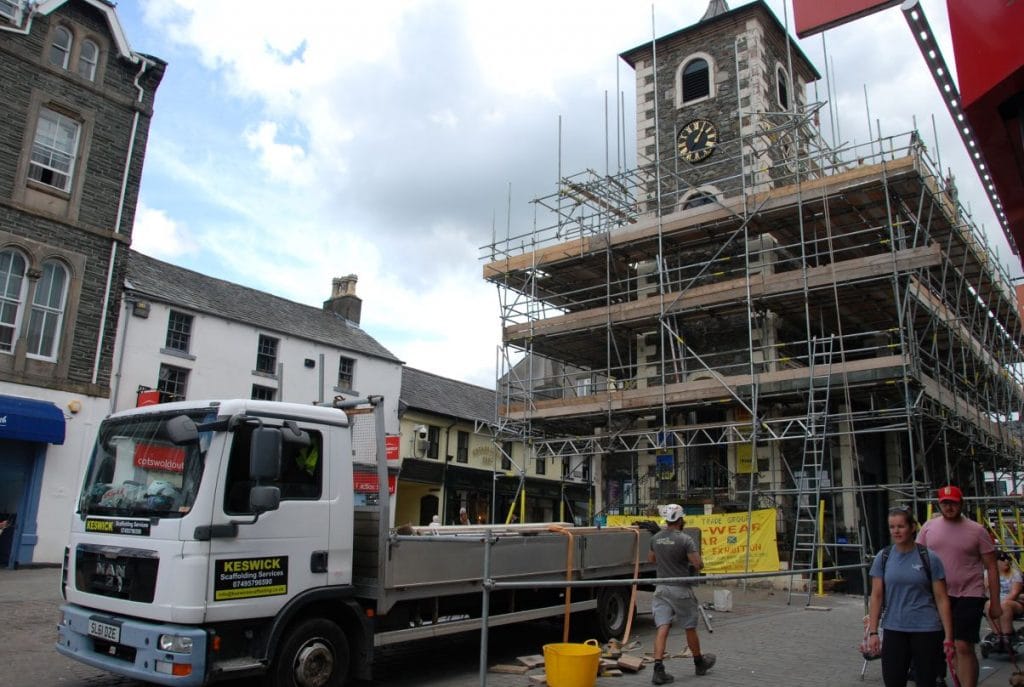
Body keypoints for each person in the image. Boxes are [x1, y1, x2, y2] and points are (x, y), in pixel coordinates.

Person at [917, 485, 1000, 687]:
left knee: (964, 645)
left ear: (961, 503)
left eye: (953, 503)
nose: (949, 507)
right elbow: (918, 560)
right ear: (939, 504)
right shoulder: (929, 527)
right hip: (939, 594)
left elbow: (992, 566)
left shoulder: (977, 530)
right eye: (945, 503)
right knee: (951, 645)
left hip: (969, 594)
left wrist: (996, 603)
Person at [866, 506, 954, 687]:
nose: (896, 531)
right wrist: (873, 632)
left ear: (912, 527)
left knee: (926, 681)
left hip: (926, 629)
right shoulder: (883, 557)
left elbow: (941, 598)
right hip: (894, 628)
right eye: (892, 527)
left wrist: (949, 636)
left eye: (901, 526)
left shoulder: (929, 558)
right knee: (893, 680)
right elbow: (876, 596)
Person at [648, 504, 715, 684]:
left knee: (662, 627)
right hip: (680, 589)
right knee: (689, 626)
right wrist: (690, 562)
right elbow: (698, 564)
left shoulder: (656, 538)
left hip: (661, 589)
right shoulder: (685, 539)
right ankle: (699, 662)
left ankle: (658, 668)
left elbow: (651, 559)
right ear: (679, 520)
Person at [983, 550, 1023, 642]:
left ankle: (1007, 635)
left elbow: (1014, 593)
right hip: (997, 601)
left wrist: (999, 603)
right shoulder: (987, 573)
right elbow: (984, 591)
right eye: (1002, 559)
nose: (1006, 561)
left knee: (1005, 605)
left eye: (1007, 558)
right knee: (988, 604)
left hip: (1014, 602)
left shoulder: (1015, 574)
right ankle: (997, 634)